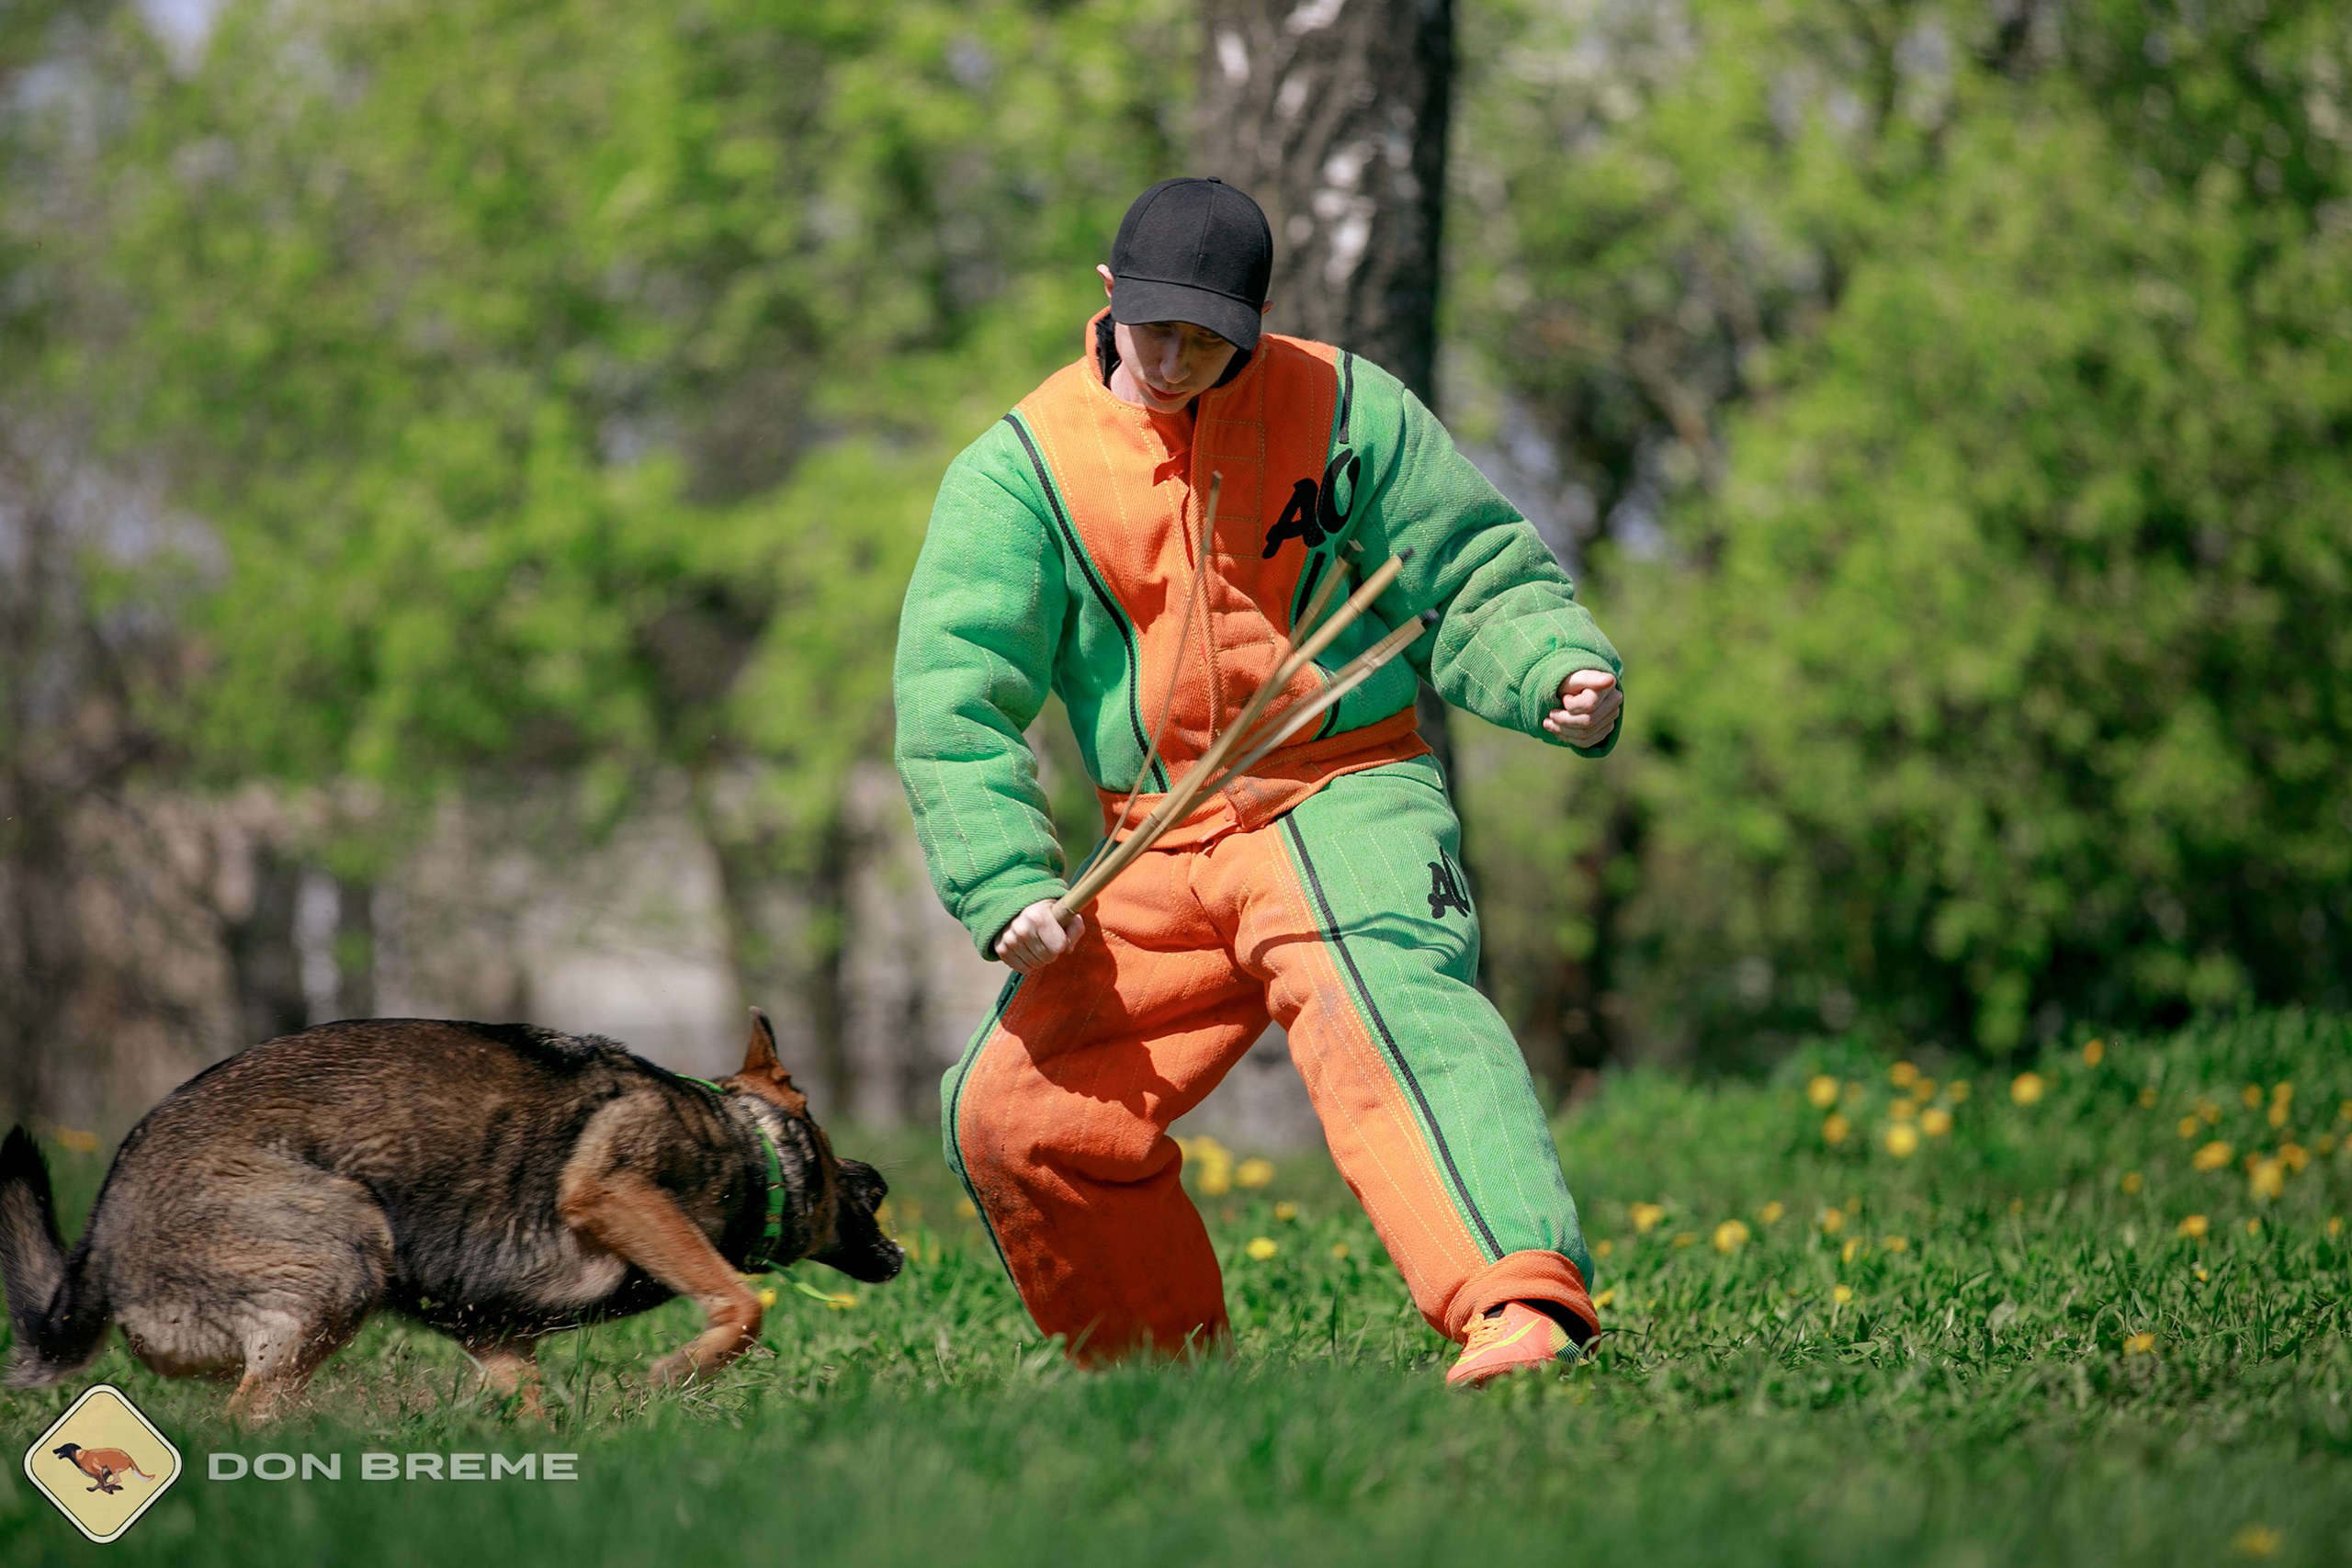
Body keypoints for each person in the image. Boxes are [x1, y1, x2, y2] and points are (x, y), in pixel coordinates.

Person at [892, 176, 1624, 1388]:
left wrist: (1551, 668)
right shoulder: (1018, 472)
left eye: (1208, 337)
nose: (1176, 360)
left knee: (1381, 999)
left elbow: (1477, 570)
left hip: (1345, 786)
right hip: (1156, 836)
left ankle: (1523, 1306)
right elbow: (953, 693)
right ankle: (1163, 1381)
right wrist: (1002, 878)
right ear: (1107, 293)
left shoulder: (1348, 408)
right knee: (1012, 1112)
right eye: (1154, 329)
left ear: (1259, 316)